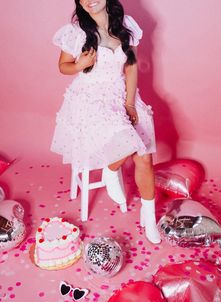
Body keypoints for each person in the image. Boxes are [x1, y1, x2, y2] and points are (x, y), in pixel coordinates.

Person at [51, 0, 161, 244]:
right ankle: (112, 170)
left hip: (122, 93)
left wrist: (130, 103)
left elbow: (131, 67)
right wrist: (80, 64)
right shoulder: (77, 31)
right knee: (133, 142)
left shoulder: (125, 25)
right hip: (91, 99)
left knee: (144, 156)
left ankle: (149, 216)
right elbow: (63, 66)